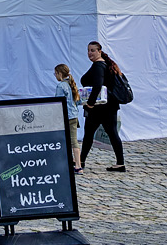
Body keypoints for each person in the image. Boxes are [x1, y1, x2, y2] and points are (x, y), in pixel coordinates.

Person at [80, 41, 126, 172]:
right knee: (112, 133)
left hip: (99, 108)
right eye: (88, 50)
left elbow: (97, 86)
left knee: (89, 134)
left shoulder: (99, 66)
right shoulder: (105, 65)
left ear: (99, 51)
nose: (90, 53)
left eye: (93, 50)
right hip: (109, 107)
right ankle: (120, 163)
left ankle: (81, 162)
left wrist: (90, 103)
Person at [53, 64, 83, 171]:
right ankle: (78, 164)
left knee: (64, 140)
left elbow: (58, 102)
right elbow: (78, 101)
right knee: (74, 140)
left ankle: (68, 162)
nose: (55, 75)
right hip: (74, 116)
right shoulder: (72, 85)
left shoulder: (61, 86)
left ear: (60, 74)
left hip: (65, 116)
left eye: (55, 73)